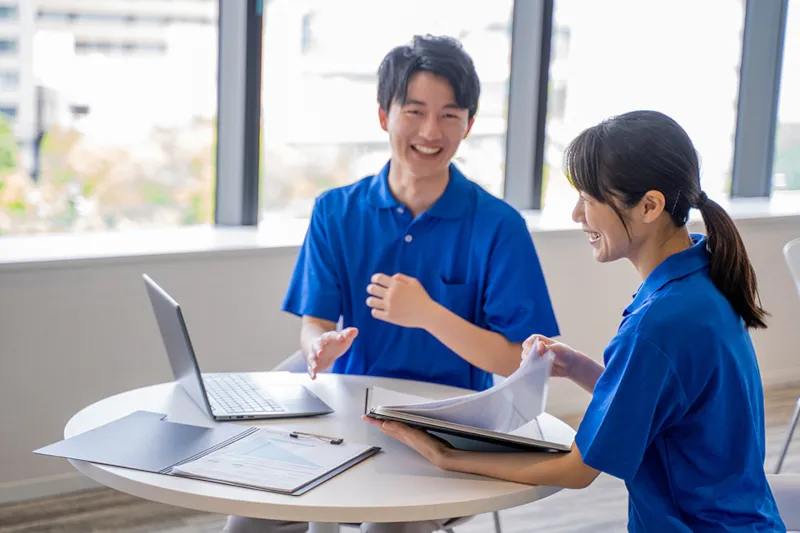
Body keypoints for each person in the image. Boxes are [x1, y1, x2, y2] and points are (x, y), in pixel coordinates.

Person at [365, 110, 787, 532]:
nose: (576, 214)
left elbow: (578, 470)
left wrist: (448, 457)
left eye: (589, 198)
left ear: (649, 206)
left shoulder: (659, 323)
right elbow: (667, 400)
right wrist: (581, 368)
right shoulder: (700, 280)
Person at [224, 34, 560, 533]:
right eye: (415, 110)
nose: (431, 130)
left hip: (445, 431)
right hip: (347, 415)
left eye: (450, 114)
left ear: (468, 125)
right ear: (384, 115)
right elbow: (315, 321)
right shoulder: (335, 212)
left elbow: (518, 361)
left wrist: (430, 315)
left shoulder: (497, 226)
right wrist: (319, 347)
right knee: (248, 521)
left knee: (388, 527)